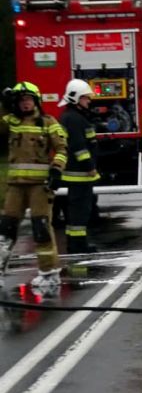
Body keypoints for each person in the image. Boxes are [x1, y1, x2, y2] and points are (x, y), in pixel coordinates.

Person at [0, 82, 68, 292]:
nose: (25, 104)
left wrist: (56, 170)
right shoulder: (11, 121)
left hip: (40, 186)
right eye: (21, 100)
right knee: (6, 229)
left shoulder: (48, 122)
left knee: (41, 229)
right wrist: (3, 104)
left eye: (28, 99)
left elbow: (62, 148)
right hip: (15, 186)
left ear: (36, 101)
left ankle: (49, 273)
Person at [58, 79, 101, 254]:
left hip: (77, 172)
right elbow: (79, 146)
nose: (88, 101)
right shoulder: (74, 119)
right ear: (75, 98)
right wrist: (90, 166)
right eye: (85, 98)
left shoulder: (73, 117)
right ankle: (78, 245)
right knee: (80, 211)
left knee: (77, 210)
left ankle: (75, 243)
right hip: (79, 173)